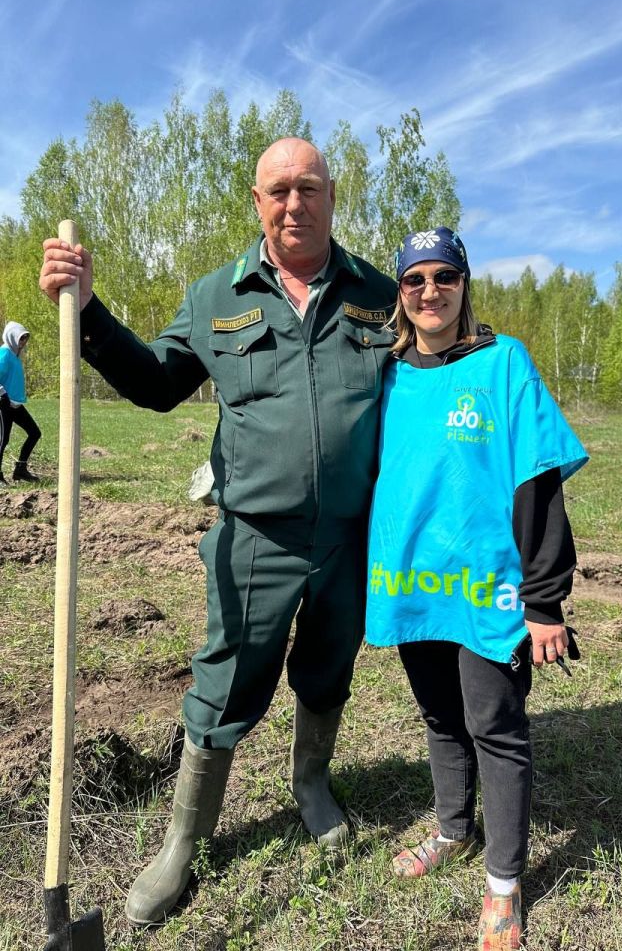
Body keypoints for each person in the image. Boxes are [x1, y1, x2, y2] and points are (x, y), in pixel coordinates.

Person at [39, 137, 396, 925]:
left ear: (333, 196)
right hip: (255, 541)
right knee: (223, 684)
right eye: (278, 190)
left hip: (351, 535)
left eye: (309, 187)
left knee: (330, 666)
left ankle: (310, 784)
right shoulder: (216, 297)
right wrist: (90, 313)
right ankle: (181, 847)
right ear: (257, 201)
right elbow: (159, 384)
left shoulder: (379, 292)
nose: (294, 203)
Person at [365, 227, 588, 950]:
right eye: (414, 280)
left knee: (495, 726)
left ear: (464, 285)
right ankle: (454, 830)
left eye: (443, 277)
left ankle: (503, 884)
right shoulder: (388, 375)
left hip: (489, 589)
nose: (430, 291)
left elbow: (537, 480)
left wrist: (545, 600)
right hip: (412, 582)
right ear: (401, 293)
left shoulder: (504, 364)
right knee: (439, 718)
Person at [0, 321, 42, 486]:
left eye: (25, 338)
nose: (23, 342)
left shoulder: (15, 355)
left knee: (34, 433)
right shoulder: (4, 353)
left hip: (15, 404)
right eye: (21, 338)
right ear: (11, 337)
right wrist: (3, 395)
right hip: (3, 403)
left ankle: (20, 469)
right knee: (2, 440)